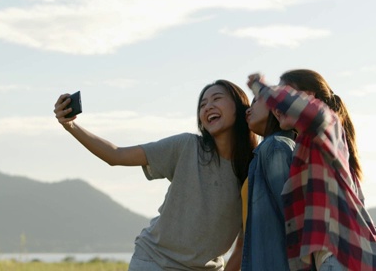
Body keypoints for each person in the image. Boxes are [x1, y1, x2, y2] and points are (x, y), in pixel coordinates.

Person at [54, 80, 258, 271]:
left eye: (217, 99)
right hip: (154, 261)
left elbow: (243, 245)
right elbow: (116, 155)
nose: (207, 107)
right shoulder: (186, 146)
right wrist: (70, 125)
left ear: (240, 107)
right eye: (203, 104)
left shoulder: (252, 169)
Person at [247, 70, 376, 271]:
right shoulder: (310, 151)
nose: (276, 108)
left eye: (286, 93)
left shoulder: (328, 124)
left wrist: (261, 88)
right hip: (343, 258)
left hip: (345, 257)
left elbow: (309, 113)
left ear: (310, 98)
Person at [240, 89, 296, 270]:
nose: (248, 110)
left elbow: (292, 218)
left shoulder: (274, 148)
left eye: (255, 102)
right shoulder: (267, 150)